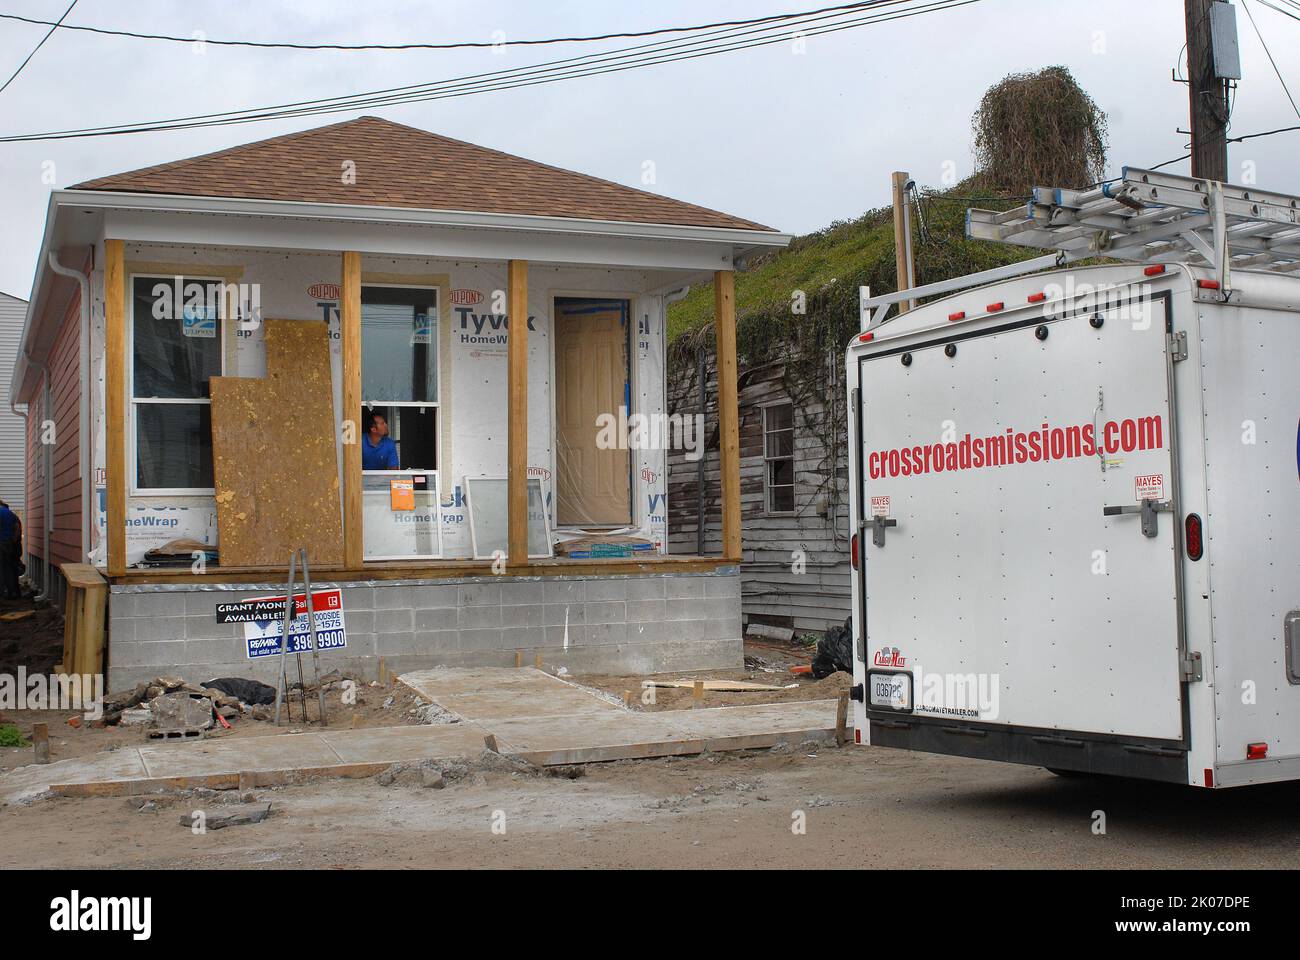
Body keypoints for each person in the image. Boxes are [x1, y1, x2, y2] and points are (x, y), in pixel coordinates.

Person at [0, 500, 22, 600]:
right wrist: (12, 540)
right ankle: (11, 591)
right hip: (9, 544)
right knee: (8, 567)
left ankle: (2, 592)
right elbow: (17, 529)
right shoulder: (11, 514)